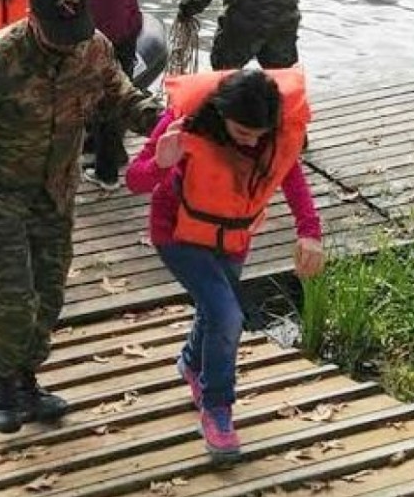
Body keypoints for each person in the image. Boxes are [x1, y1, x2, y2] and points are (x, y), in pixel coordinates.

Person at [0, 0, 162, 434]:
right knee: (12, 299)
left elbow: (120, 94)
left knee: (49, 297)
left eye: (72, 33)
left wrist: (161, 124)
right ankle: (2, 385)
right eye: (56, 34)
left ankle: (26, 381)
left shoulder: (91, 46)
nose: (66, 43)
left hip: (56, 193)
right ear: (30, 16)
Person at [126, 68, 324, 461]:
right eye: (242, 134)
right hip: (179, 234)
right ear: (220, 115)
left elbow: (290, 173)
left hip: (234, 236)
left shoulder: (271, 133)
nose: (252, 142)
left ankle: (190, 364)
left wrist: (309, 230)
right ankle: (217, 408)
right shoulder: (184, 122)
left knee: (215, 310)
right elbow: (135, 179)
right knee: (228, 315)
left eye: (259, 135)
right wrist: (162, 163)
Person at [42, 0, 145, 189]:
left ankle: (106, 171)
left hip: (95, 43)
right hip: (127, 30)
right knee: (120, 90)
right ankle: (116, 152)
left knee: (98, 103)